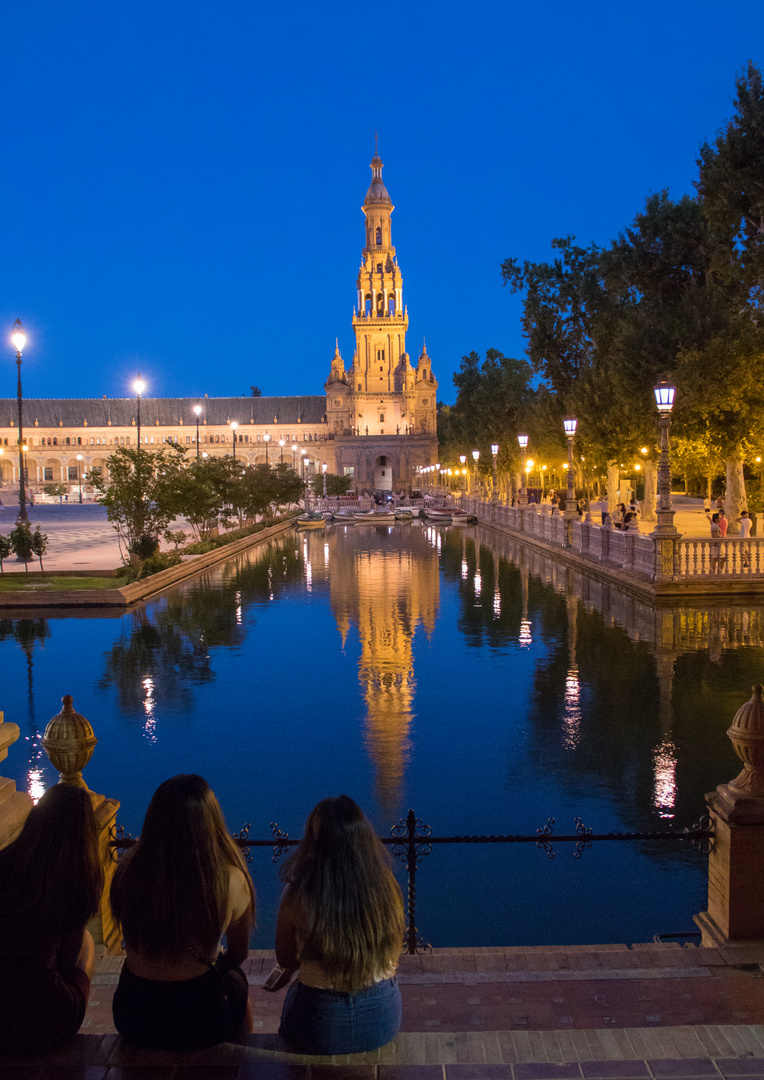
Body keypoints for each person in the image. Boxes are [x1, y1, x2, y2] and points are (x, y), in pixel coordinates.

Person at [111, 774, 255, 1050]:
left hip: (134, 1011)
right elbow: (239, 954)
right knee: (237, 985)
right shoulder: (230, 880)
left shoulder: (127, 873)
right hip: (199, 1015)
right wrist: (213, 963)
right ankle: (240, 1060)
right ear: (210, 822)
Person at [274, 795, 404, 1055]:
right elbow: (394, 949)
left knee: (293, 998)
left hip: (318, 1024)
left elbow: (286, 957)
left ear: (313, 841)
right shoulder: (386, 885)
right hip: (381, 1020)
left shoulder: (297, 893)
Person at [0, 784, 103, 1056]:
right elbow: (69, 961)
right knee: (88, 943)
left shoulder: (6, 863)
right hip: (43, 1020)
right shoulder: (73, 881)